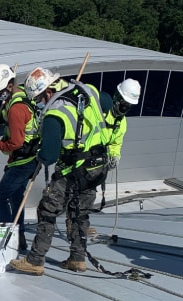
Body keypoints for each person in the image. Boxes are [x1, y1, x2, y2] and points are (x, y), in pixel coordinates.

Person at [10, 67, 124, 275]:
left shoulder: (55, 114)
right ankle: (78, 259)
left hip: (74, 168)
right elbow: (108, 105)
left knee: (48, 210)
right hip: (97, 166)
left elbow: (50, 156)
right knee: (80, 213)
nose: (37, 104)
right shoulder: (86, 89)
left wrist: (41, 155)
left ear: (47, 92)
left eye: (37, 99)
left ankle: (35, 260)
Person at [65, 78, 142, 238]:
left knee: (87, 196)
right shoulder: (99, 111)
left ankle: (80, 225)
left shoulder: (121, 123)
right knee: (74, 193)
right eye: (124, 104)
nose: (124, 108)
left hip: (96, 165)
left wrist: (115, 155)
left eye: (129, 106)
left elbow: (116, 142)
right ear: (116, 98)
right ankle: (73, 225)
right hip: (81, 159)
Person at [0, 64, 40, 251]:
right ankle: (20, 235)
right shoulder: (23, 94)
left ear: (9, 86)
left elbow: (16, 143)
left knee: (0, 197)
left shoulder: (16, 109)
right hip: (30, 158)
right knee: (16, 197)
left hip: (22, 161)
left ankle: (8, 237)